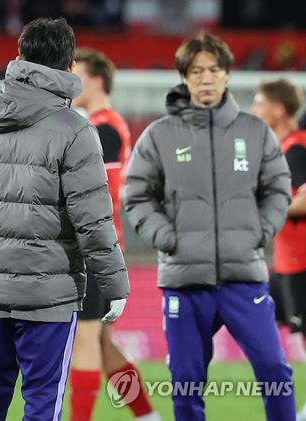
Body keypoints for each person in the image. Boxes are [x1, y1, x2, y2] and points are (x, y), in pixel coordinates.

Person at [0, 18, 129, 420]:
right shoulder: (75, 130)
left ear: (19, 58)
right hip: (49, 297)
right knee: (42, 404)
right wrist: (114, 284)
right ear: (69, 68)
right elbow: (92, 219)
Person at [123, 33, 295, 420]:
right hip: (185, 281)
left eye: (214, 70)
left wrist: (259, 232)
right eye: (197, 71)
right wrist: (165, 237)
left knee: (274, 371)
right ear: (184, 77)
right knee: (185, 382)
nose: (206, 78)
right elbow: (136, 195)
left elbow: (278, 189)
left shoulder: (255, 132)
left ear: (227, 75)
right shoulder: (159, 135)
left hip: (244, 276)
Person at [70, 47, 160, 421]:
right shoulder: (103, 124)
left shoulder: (103, 128)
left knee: (84, 341)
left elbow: (97, 192)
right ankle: (146, 415)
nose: (70, 83)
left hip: (94, 248)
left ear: (96, 81)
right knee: (101, 343)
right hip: (103, 246)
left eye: (76, 76)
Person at [251, 78, 306, 421]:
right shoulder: (281, 148)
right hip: (287, 262)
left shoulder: (296, 148)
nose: (254, 109)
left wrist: (265, 210)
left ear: (279, 109)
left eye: (260, 103)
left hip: (302, 262)